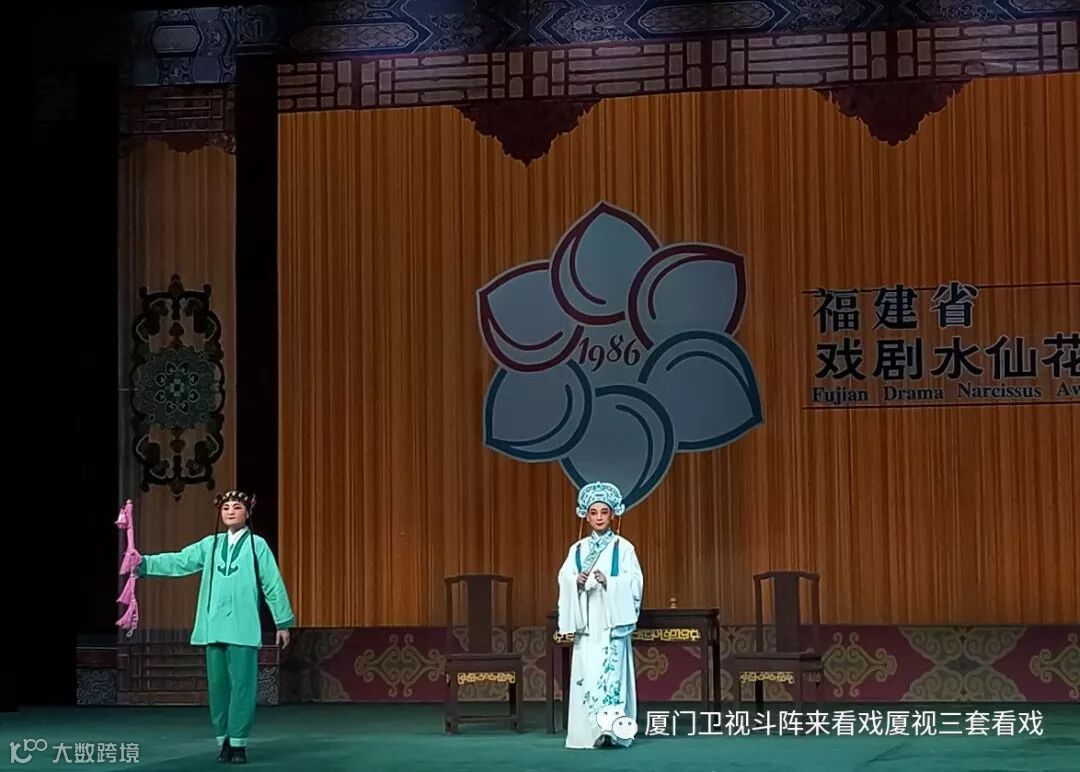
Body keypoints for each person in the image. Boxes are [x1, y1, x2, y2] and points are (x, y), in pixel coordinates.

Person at [134, 490, 294, 764]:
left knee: (242, 686)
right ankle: (223, 741)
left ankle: (239, 742)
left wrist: (282, 622)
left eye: (237, 507)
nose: (230, 511)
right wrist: (143, 563)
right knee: (218, 686)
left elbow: (272, 584)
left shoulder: (257, 545)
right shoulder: (210, 544)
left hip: (243, 627)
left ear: (248, 512)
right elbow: (180, 561)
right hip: (214, 625)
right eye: (226, 507)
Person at [556, 481, 644, 749]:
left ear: (612, 515)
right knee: (588, 674)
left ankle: (612, 731)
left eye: (604, 512)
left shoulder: (623, 547)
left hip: (610, 621)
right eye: (593, 512)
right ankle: (588, 731)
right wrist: (576, 582)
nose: (598, 518)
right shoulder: (578, 549)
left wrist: (611, 582)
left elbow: (635, 581)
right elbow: (564, 577)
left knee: (611, 675)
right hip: (588, 623)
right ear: (586, 515)